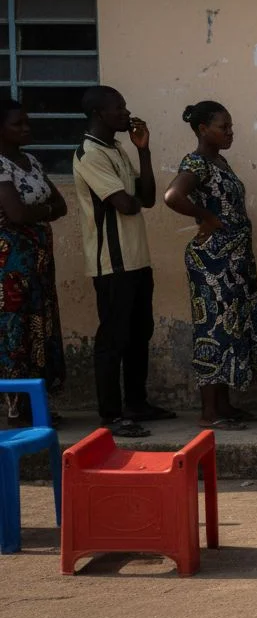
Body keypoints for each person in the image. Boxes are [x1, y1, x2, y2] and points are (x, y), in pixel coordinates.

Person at [72, 86, 172, 438]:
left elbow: (145, 198)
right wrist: (132, 192)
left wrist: (143, 151)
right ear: (99, 113)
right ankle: (110, 414)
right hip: (111, 263)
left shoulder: (115, 148)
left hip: (136, 258)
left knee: (138, 333)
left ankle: (137, 403)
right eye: (119, 107)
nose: (126, 112)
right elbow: (125, 205)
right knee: (112, 338)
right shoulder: (89, 154)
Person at [163, 101, 257, 431]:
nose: (230, 132)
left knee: (231, 328)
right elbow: (172, 196)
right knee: (214, 331)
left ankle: (225, 405)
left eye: (231, 126)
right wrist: (207, 218)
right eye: (223, 127)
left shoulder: (219, 161)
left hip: (233, 261)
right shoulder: (196, 163)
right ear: (202, 129)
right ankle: (210, 412)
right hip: (213, 262)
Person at [0, 99, 67, 428]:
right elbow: (17, 214)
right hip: (11, 267)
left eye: (27, 122)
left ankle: (36, 406)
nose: (26, 128)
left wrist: (38, 213)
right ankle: (16, 409)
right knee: (16, 332)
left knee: (40, 329)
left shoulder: (30, 161)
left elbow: (62, 204)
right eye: (18, 124)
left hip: (39, 265)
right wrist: (43, 212)